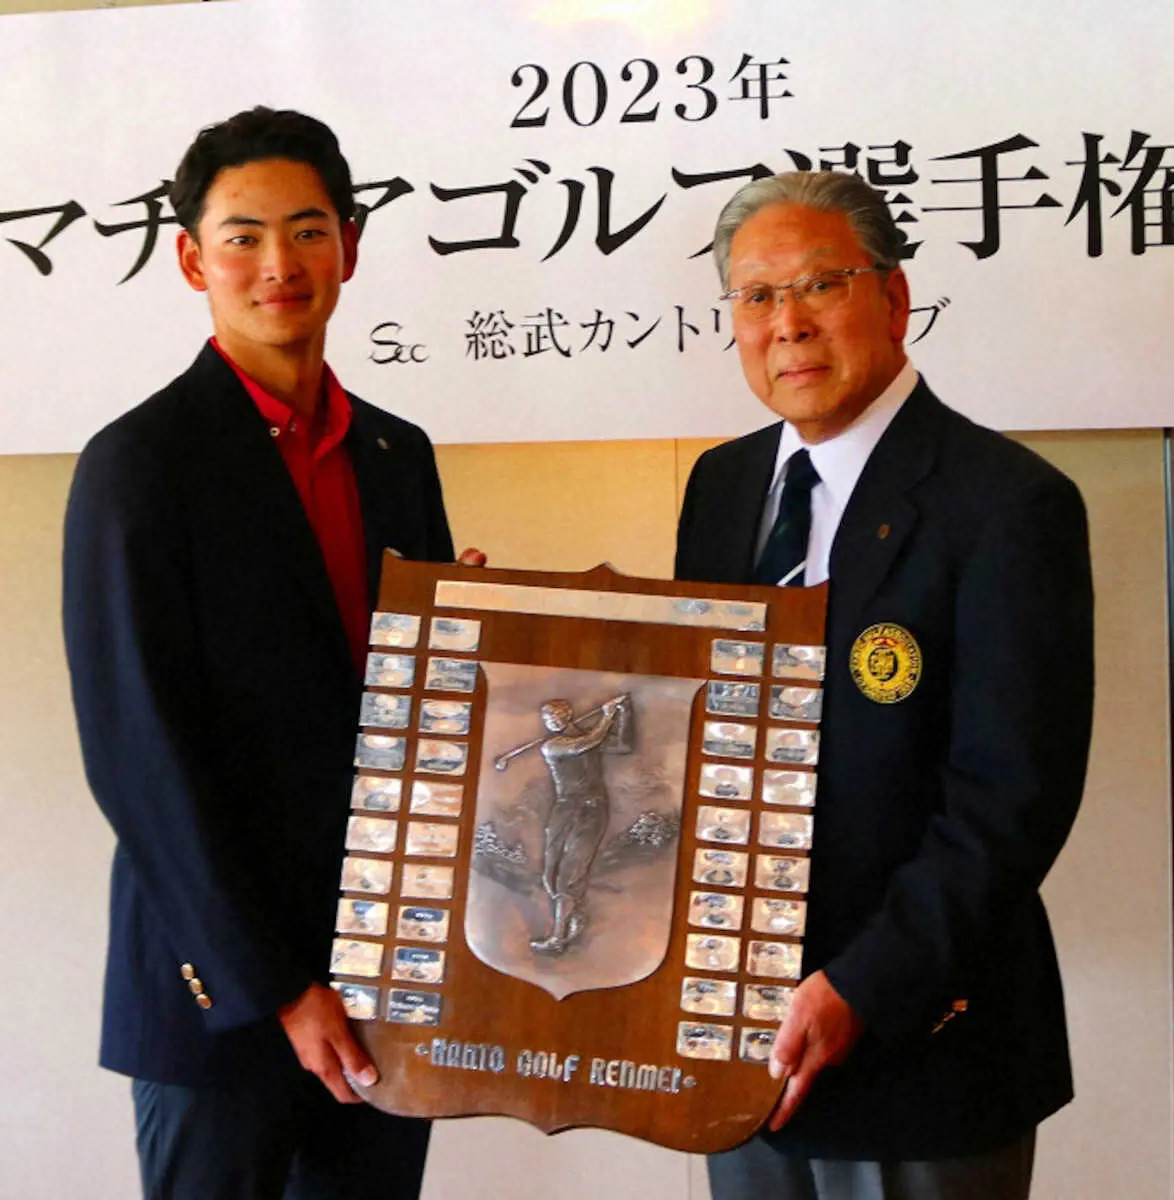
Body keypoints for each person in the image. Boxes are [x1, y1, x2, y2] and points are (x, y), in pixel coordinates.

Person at [63, 107, 478, 1199]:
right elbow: (139, 761)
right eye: (242, 237)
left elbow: (412, 717)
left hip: (385, 975)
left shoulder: (397, 453)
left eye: (307, 231)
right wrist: (281, 988)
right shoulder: (139, 463)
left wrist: (476, 640)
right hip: (219, 992)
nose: (279, 265)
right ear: (192, 260)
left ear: (350, 245)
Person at [675, 170, 1094, 1199]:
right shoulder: (722, 486)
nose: (787, 324)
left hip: (922, 1045)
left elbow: (1009, 800)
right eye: (756, 296)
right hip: (739, 1044)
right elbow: (697, 729)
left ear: (894, 298)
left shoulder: (1007, 503)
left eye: (820, 285)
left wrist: (861, 986)